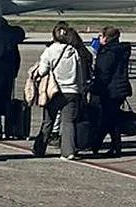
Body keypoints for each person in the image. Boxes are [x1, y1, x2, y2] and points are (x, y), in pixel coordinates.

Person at [31, 24, 91, 160]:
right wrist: (81, 89)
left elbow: (42, 71)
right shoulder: (73, 51)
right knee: (68, 123)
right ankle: (68, 152)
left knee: (48, 121)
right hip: (72, 90)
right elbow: (80, 72)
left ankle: (39, 148)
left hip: (54, 91)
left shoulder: (50, 51)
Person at [89, 26, 133, 157]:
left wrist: (95, 87)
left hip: (110, 89)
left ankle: (99, 144)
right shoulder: (120, 50)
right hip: (120, 87)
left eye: (101, 36)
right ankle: (113, 146)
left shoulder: (108, 52)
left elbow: (104, 73)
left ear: (106, 38)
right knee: (111, 118)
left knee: (108, 119)